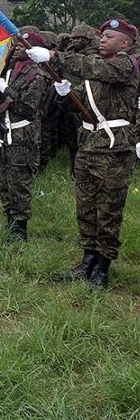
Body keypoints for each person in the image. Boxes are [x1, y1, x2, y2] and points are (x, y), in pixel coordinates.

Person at [29, 18, 140, 290]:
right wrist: (65, 94)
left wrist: (54, 56)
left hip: (113, 150)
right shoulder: (97, 76)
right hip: (88, 146)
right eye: (102, 35)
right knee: (86, 208)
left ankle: (102, 268)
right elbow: (78, 106)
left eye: (110, 37)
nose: (103, 39)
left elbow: (94, 68)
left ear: (125, 43)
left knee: (109, 211)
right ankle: (87, 260)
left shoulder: (125, 65)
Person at [0, 32, 49, 243]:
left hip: (23, 135)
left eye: (24, 46)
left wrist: (7, 89)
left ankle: (20, 227)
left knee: (19, 181)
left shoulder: (37, 75)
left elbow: (28, 106)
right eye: (17, 45)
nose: (17, 49)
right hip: (5, 131)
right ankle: (10, 219)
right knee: (4, 179)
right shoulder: (9, 70)